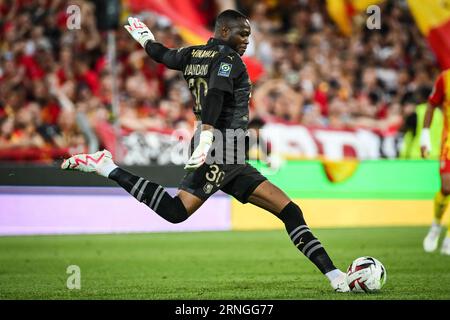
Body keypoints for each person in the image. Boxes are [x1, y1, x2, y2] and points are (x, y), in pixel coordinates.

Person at [61, 10, 350, 291]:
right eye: (242, 34)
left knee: (286, 211)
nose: (247, 40)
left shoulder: (192, 54)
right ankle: (106, 166)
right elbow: (216, 92)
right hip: (220, 147)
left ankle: (335, 276)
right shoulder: (230, 60)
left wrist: (146, 40)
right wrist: (209, 135)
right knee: (181, 211)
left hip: (225, 151)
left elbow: (164, 55)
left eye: (249, 35)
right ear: (224, 31)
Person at [420, 68, 450, 255]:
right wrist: (425, 136)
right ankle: (436, 225)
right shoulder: (445, 78)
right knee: (447, 187)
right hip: (449, 142)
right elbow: (431, 104)